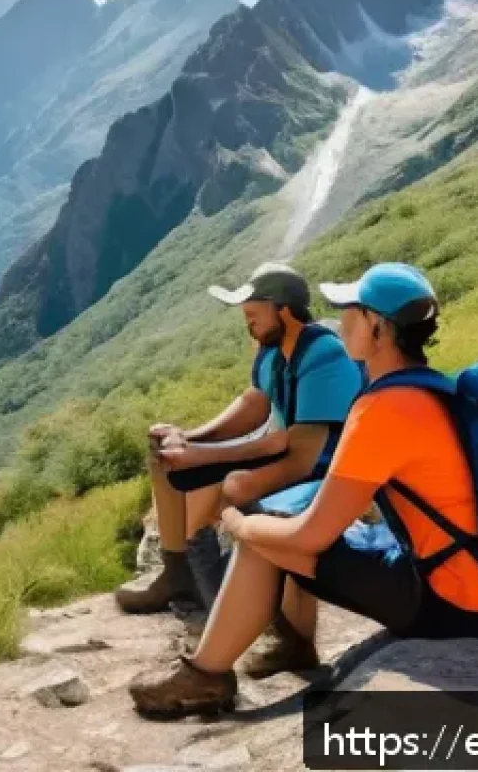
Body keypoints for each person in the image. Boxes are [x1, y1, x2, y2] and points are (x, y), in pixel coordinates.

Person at [128, 262, 478, 718]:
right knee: (274, 528)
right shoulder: (431, 390)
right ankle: (280, 650)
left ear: (378, 327)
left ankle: (207, 676)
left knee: (263, 538)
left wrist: (237, 521)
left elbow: (311, 536)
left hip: (455, 602)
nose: (342, 318)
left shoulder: (384, 411)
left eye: (352, 309)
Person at [116, 262, 364, 674]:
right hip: (291, 452)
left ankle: (243, 621)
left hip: (329, 464)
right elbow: (254, 405)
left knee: (225, 489)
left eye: (253, 312)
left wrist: (204, 458)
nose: (246, 321)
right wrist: (189, 438)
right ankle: (178, 575)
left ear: (282, 309)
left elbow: (300, 453)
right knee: (164, 453)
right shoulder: (272, 351)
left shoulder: (324, 355)